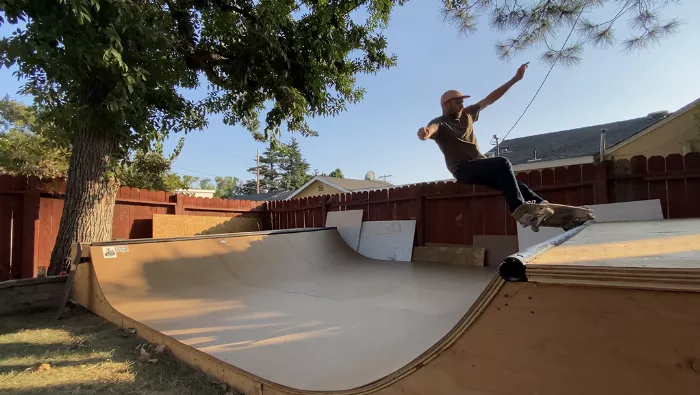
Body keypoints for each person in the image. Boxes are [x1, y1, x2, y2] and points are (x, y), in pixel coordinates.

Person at [417, 62, 549, 226]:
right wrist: (424, 133)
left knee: (511, 183)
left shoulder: (468, 114)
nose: (461, 106)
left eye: (462, 102)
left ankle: (542, 205)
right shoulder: (440, 123)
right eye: (457, 103)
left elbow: (490, 98)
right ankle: (519, 210)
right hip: (463, 169)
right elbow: (429, 130)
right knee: (503, 162)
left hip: (480, 165)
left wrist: (515, 79)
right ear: (445, 104)